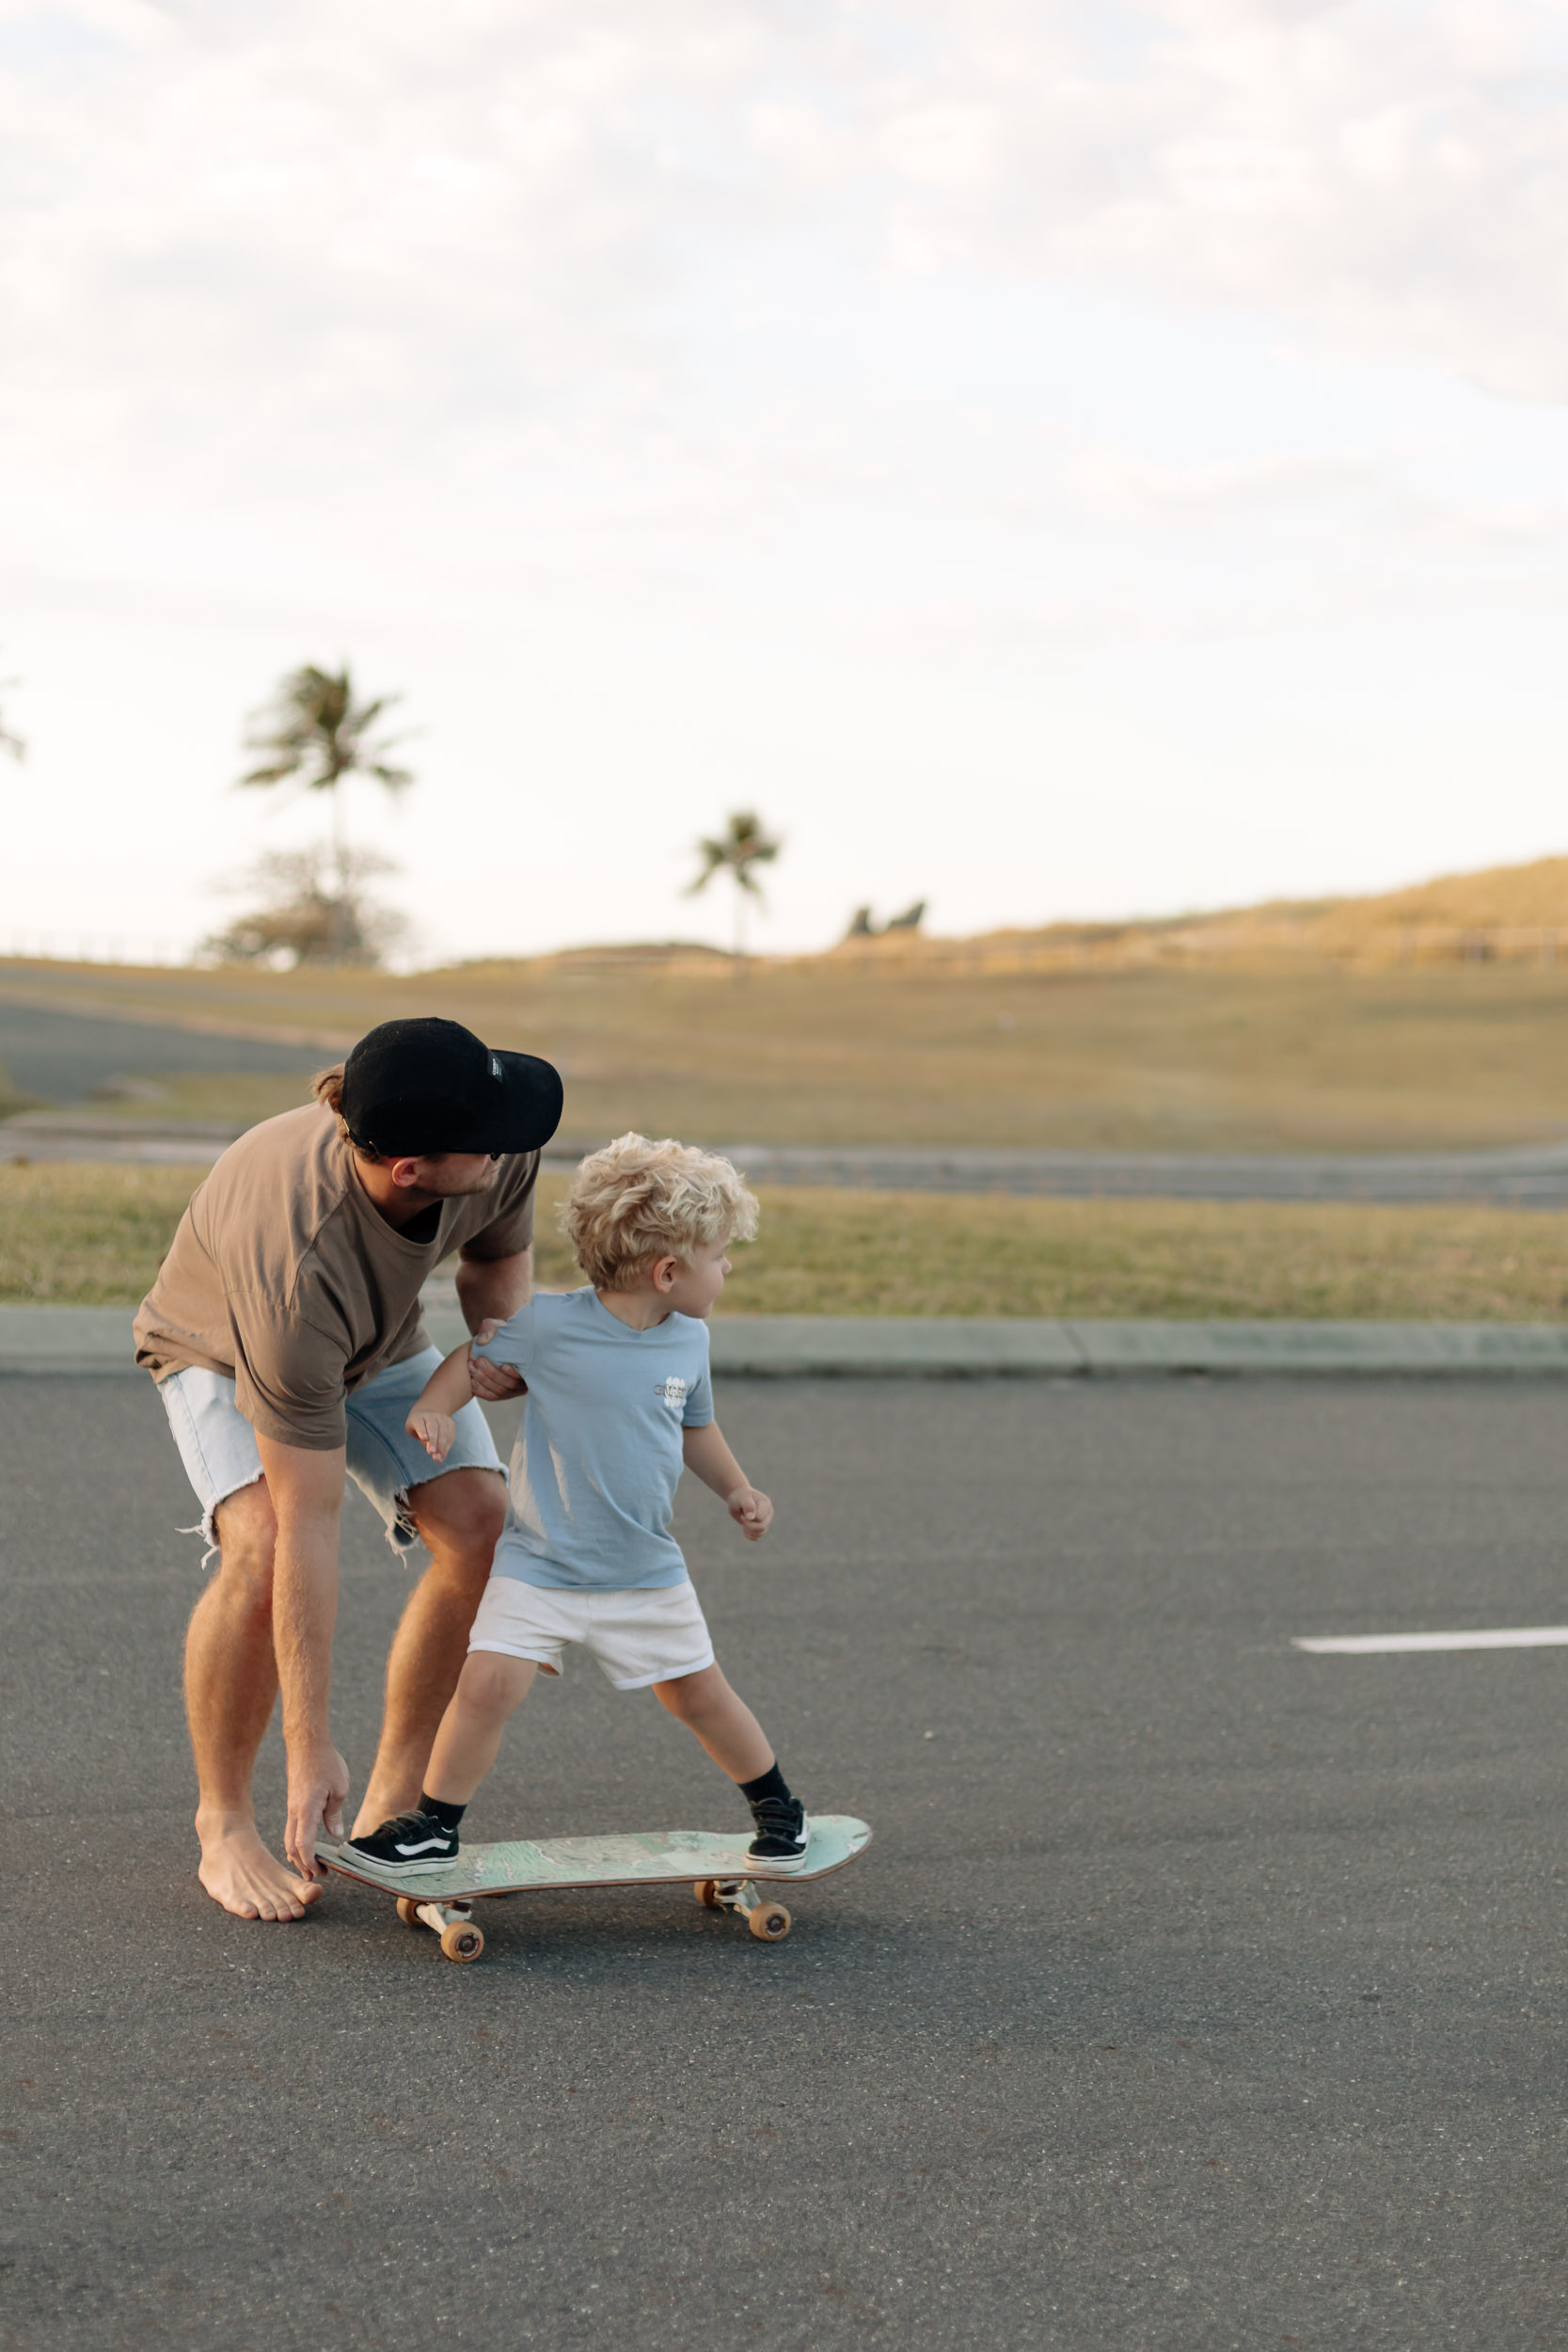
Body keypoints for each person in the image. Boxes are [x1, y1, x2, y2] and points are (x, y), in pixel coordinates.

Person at [134, 1015, 562, 1923]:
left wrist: (503, 1347)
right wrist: (309, 1746)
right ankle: (224, 1823)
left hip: (379, 1334)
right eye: (486, 1145)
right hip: (226, 1343)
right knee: (266, 1541)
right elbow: (312, 1526)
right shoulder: (297, 1267)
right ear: (410, 1169)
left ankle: (393, 1804)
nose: (512, 1149)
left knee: (483, 1527)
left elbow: (495, 1257)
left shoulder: (492, 1140)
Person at [342, 1132, 811, 1879]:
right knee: (485, 1687)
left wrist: (737, 1488)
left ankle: (779, 1810)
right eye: (719, 1254)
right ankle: (434, 1825)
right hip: (540, 1563)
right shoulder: (551, 1325)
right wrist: (435, 1406)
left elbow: (696, 1426)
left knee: (698, 1696)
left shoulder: (687, 1342)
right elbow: (475, 1359)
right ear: (667, 1270)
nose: (726, 1267)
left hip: (643, 1571)